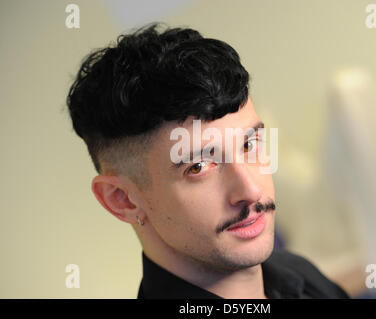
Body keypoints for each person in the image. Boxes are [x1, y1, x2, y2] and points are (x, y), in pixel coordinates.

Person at [66, 22, 349, 299]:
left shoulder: (301, 275)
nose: (251, 190)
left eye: (250, 144)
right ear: (122, 199)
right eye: (199, 167)